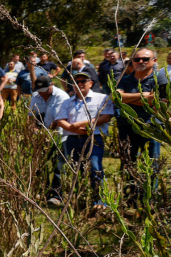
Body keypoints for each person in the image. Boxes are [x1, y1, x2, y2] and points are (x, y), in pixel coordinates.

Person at [54, 71, 114, 209]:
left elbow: (106, 117)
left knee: (95, 167)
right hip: (72, 139)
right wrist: (73, 129)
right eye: (76, 82)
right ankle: (78, 199)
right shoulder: (67, 101)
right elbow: (60, 120)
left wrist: (81, 125)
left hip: (94, 138)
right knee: (75, 169)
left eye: (83, 81)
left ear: (91, 83)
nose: (79, 84)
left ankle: (100, 201)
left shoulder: (102, 98)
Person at [115, 48, 162, 204]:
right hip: (126, 127)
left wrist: (128, 99)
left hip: (151, 128)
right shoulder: (125, 79)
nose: (140, 62)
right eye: (136, 59)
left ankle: (150, 199)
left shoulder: (159, 80)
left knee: (152, 164)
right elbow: (117, 98)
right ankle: (131, 198)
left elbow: (157, 101)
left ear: (154, 61)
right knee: (128, 162)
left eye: (145, 59)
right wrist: (145, 97)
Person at [29, 75, 70, 206]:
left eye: (45, 90)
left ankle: (57, 196)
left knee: (58, 166)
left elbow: (58, 120)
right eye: (40, 90)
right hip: (41, 136)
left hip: (59, 135)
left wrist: (44, 133)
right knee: (42, 165)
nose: (42, 93)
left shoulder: (61, 97)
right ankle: (44, 191)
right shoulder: (36, 96)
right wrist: (33, 129)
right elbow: (32, 115)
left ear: (52, 85)